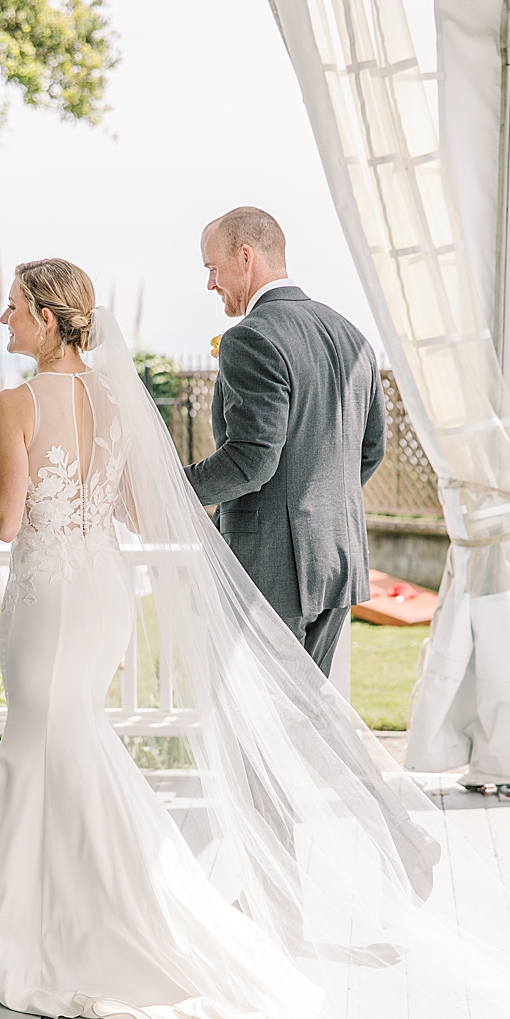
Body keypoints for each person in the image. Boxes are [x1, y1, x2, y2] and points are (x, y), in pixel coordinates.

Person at [0, 260, 510, 1019]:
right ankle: (56, 913)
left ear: (52, 320)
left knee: (40, 746)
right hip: (101, 593)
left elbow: (6, 521)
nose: (4, 317)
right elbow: (139, 502)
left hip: (49, 594)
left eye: (16, 307)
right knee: (64, 746)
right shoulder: (116, 402)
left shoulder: (13, 406)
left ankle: (64, 919)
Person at [186, 206, 385, 677]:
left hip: (273, 566)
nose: (210, 284)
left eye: (213, 269)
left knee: (261, 722)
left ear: (246, 256)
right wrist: (318, 505)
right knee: (306, 718)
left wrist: (172, 486)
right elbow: (371, 448)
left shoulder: (250, 338)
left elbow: (251, 461)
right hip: (339, 559)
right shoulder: (349, 332)